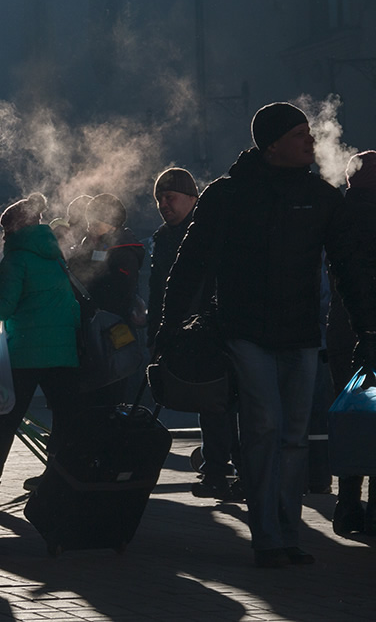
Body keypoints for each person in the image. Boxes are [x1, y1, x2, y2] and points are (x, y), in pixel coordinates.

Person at [158, 102, 376, 568]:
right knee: (265, 428)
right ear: (273, 143)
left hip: (300, 333)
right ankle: (268, 534)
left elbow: (349, 269)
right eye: (300, 134)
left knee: (293, 434)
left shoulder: (320, 198)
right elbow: (192, 263)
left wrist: (367, 326)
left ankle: (284, 531)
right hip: (246, 331)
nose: (310, 141)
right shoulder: (229, 195)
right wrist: (169, 324)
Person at [0, 193, 80, 505]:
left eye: (6, 230)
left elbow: (2, 310)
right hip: (64, 353)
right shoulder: (55, 256)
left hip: (27, 354)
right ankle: (61, 481)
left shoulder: (15, 259)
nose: (3, 236)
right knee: (65, 420)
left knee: (4, 420)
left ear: (16, 229)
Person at [148, 168, 243, 501]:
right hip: (183, 330)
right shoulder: (162, 238)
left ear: (191, 198)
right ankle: (219, 469)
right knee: (212, 403)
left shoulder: (207, 230)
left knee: (221, 402)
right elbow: (157, 289)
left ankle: (225, 470)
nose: (163, 204)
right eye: (159, 198)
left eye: (170, 196)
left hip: (209, 329)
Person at [327, 150, 376, 535]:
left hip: (343, 330)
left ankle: (346, 506)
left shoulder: (338, 214)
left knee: (350, 416)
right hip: (371, 329)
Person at [66, 193, 145, 405]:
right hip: (93, 331)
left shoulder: (121, 251)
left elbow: (120, 292)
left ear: (111, 223)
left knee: (112, 390)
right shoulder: (91, 246)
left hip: (111, 331)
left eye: (96, 221)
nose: (90, 226)